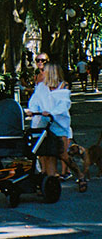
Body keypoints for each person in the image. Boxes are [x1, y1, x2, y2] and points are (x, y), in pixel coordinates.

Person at [26, 62, 87, 192]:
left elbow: (64, 104)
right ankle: (50, 183)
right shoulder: (41, 87)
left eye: (44, 71)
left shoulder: (63, 86)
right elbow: (35, 101)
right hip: (44, 124)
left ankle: (80, 175)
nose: (42, 73)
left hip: (59, 124)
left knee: (63, 155)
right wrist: (32, 110)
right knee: (47, 154)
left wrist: (52, 112)